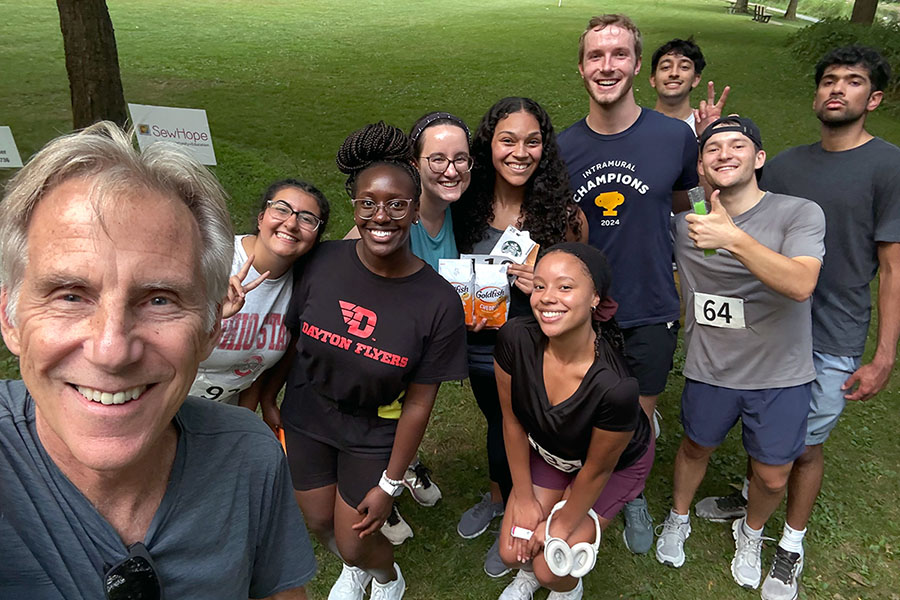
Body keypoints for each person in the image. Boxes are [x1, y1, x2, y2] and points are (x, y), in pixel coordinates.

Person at [0, 122, 315, 599]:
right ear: (10, 317)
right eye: (70, 295)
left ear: (211, 329)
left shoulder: (250, 459)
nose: (110, 349)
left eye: (160, 300)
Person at [694, 47, 900, 600]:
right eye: (829, 81)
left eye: (853, 83)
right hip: (772, 324)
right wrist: (714, 143)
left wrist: (882, 356)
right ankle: (753, 497)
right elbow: (732, 208)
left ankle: (791, 541)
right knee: (771, 442)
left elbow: (892, 267)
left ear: (873, 99)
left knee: (803, 445)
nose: (837, 90)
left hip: (832, 331)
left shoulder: (888, 165)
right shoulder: (785, 164)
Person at [266, 121, 468, 600]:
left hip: (372, 431)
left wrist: (391, 483)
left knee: (354, 541)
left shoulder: (438, 302)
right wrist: (265, 398)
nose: (383, 215)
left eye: (398, 204)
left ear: (416, 211)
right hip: (306, 416)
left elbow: (419, 403)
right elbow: (292, 338)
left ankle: (383, 576)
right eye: (369, 203)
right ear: (355, 209)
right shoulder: (321, 263)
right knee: (319, 522)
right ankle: (354, 565)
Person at [656, 116, 825, 592]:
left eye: (738, 145)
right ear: (702, 166)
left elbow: (800, 283)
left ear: (759, 158)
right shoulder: (684, 220)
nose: (725, 154)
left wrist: (732, 237)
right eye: (713, 148)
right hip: (710, 369)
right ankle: (679, 516)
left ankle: (750, 532)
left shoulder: (799, 213)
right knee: (695, 447)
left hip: (780, 373)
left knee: (772, 477)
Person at [556, 13, 701, 555]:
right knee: (584, 408)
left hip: (651, 304)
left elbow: (689, 207)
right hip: (584, 311)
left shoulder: (673, 137)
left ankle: (632, 490)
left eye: (619, 54)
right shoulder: (564, 148)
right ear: (581, 67)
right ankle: (581, 482)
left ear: (638, 65)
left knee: (638, 416)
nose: (607, 65)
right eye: (596, 55)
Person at [451, 96, 586, 577]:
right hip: (475, 349)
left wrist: (544, 287)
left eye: (533, 141)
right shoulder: (463, 208)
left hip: (535, 356)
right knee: (497, 423)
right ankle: (497, 500)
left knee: (528, 433)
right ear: (488, 145)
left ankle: (522, 518)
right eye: (507, 140)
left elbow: (581, 293)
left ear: (545, 149)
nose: (520, 152)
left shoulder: (563, 216)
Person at [494, 243, 653, 600]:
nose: (547, 298)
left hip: (610, 469)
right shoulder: (514, 339)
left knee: (552, 568)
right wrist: (522, 497)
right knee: (510, 551)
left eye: (565, 287)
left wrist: (557, 524)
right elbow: (512, 420)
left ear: (595, 297)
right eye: (539, 286)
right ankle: (530, 574)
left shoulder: (616, 387)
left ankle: (567, 589)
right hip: (554, 452)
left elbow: (596, 470)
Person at [343, 112, 473, 544]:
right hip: (381, 354)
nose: (451, 170)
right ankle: (382, 496)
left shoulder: (463, 215)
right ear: (413, 164)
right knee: (377, 426)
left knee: (410, 421)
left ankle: (407, 467)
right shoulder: (393, 219)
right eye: (437, 159)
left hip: (424, 356)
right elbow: (344, 260)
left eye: (461, 158)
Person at [190, 179, 329, 408]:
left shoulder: (303, 285)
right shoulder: (215, 261)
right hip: (163, 398)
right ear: (261, 217)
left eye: (307, 219)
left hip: (219, 413)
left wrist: (243, 422)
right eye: (282, 209)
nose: (292, 223)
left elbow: (254, 368)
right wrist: (211, 315)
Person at [649, 37, 730, 135]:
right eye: (666, 67)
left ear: (695, 79)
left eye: (684, 67)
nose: (674, 73)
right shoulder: (636, 126)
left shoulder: (705, 125)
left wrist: (708, 137)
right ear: (653, 79)